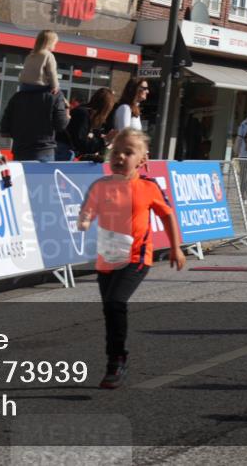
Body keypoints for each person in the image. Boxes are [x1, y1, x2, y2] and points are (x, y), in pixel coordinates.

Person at [77, 128, 185, 389]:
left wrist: (175, 247)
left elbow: (167, 215)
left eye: (128, 152)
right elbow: (88, 209)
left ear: (142, 160)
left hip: (137, 257)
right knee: (109, 309)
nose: (120, 157)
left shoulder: (148, 187)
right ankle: (114, 356)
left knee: (115, 302)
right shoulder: (101, 186)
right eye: (116, 152)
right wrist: (85, 219)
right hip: (108, 257)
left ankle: (116, 361)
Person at [0, 87, 69, 162]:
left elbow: (4, 130)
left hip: (20, 151)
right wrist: (67, 110)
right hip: (43, 151)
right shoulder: (55, 95)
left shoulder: (17, 96)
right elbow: (61, 125)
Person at [64, 88, 116, 161]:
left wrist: (97, 136)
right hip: (66, 155)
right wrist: (104, 140)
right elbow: (81, 143)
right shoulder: (83, 114)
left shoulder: (84, 112)